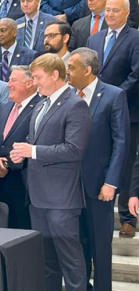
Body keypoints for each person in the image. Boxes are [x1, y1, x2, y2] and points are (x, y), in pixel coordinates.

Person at [11, 53, 91, 291]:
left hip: (61, 200)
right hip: (37, 197)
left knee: (71, 261)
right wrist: (22, 153)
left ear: (55, 75)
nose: (34, 82)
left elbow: (74, 149)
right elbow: (33, 141)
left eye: (37, 77)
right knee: (48, 264)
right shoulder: (41, 104)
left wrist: (32, 151)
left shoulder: (75, 104)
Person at [67, 47, 129, 291]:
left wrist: (111, 182)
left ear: (88, 69)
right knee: (77, 244)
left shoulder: (114, 95)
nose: (67, 72)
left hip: (99, 185)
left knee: (100, 246)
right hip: (69, 186)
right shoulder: (68, 95)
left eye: (72, 67)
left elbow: (121, 142)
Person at [87, 0, 139, 238]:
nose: (109, 14)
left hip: (127, 111)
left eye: (114, 10)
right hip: (95, 114)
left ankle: (128, 217)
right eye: (107, 10)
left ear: (127, 13)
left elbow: (136, 75)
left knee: (126, 163)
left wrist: (112, 98)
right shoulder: (94, 39)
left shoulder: (135, 38)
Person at [0, 65, 42, 229]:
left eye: (13, 80)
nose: (8, 84)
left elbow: (36, 143)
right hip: (1, 184)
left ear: (29, 83)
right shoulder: (4, 108)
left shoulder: (41, 107)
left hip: (26, 187)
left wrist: (8, 164)